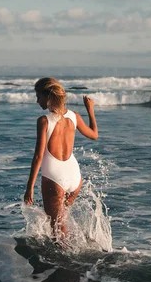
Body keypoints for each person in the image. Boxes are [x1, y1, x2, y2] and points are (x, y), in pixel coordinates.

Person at [24, 77, 98, 238]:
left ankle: (66, 263)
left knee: (57, 230)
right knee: (61, 223)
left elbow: (38, 156)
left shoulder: (44, 121)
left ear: (48, 96)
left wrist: (29, 187)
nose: (37, 101)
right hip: (74, 177)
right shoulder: (75, 116)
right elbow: (94, 135)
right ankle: (77, 255)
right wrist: (90, 111)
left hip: (55, 177)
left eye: (38, 96)